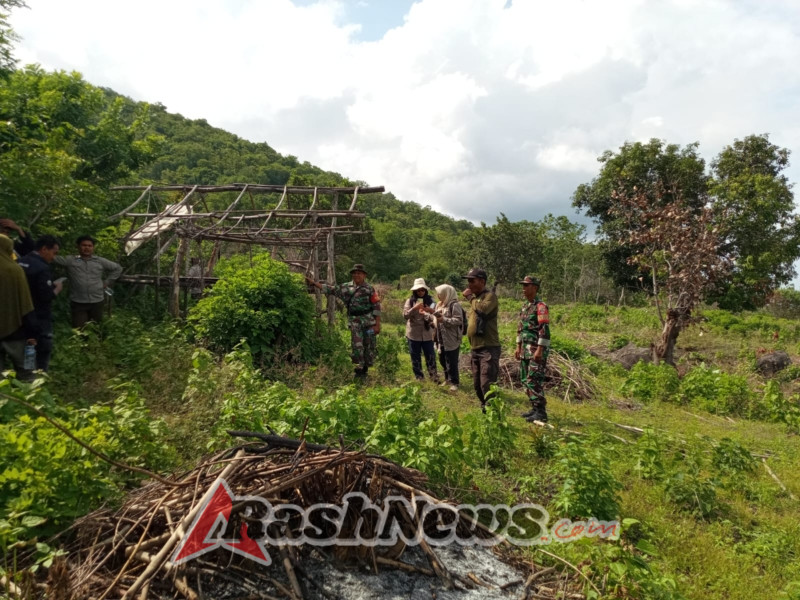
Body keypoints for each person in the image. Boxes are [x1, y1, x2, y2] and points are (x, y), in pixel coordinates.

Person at [306, 264, 381, 379]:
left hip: (368, 322)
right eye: (354, 273)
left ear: (364, 275)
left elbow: (376, 306)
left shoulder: (370, 289)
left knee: (369, 344)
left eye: (359, 273)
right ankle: (358, 370)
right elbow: (331, 289)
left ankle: (366, 368)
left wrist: (377, 325)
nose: (356, 275)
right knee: (357, 345)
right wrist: (314, 283)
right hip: (355, 321)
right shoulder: (346, 287)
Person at [53, 235, 123, 328]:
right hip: (78, 302)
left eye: (89, 246)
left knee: (96, 327)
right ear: (78, 247)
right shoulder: (71, 260)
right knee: (79, 329)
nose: (87, 248)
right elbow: (51, 257)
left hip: (97, 300)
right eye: (84, 245)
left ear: (93, 247)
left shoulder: (99, 261)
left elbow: (117, 268)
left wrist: (107, 282)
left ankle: (96, 342)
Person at [18, 235, 63, 371]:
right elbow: (45, 296)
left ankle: (26, 375)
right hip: (39, 316)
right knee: (42, 348)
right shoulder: (42, 268)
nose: (53, 257)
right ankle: (37, 378)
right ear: (44, 249)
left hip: (20, 315)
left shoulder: (19, 262)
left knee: (26, 346)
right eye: (53, 253)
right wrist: (57, 289)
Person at [0, 234, 40, 380]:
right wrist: (32, 332)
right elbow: (25, 302)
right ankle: (30, 399)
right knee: (28, 372)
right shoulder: (15, 270)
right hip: (16, 332)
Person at [462, 268, 500, 411]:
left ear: (482, 281)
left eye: (472, 281)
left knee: (487, 383)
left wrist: (470, 298)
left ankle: (494, 412)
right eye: (468, 281)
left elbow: (483, 310)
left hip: (488, 348)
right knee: (477, 384)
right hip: (475, 348)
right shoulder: (476, 299)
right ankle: (485, 408)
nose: (469, 284)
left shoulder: (490, 296)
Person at [515, 276, 551, 423]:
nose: (523, 289)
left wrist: (540, 350)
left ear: (535, 288)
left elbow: (544, 330)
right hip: (525, 350)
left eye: (527, 286)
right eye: (523, 286)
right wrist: (518, 347)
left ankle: (541, 412)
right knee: (525, 379)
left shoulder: (540, 306)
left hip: (536, 350)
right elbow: (520, 328)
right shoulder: (525, 306)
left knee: (533, 380)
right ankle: (534, 408)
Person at [403, 278, 440, 383]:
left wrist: (429, 310)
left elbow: (436, 315)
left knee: (430, 355)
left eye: (422, 290)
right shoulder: (410, 301)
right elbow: (405, 315)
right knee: (415, 355)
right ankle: (419, 377)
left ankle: (433, 376)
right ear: (415, 291)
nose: (420, 292)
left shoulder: (431, 301)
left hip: (427, 333)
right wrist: (414, 308)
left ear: (425, 290)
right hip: (413, 333)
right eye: (418, 290)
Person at [434, 284, 464, 392]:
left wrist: (444, 319)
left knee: (452, 361)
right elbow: (435, 319)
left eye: (440, 294)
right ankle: (447, 379)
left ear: (447, 294)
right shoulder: (440, 304)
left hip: (451, 338)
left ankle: (454, 382)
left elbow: (458, 320)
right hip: (441, 337)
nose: (438, 296)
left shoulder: (454, 305)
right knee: (442, 359)